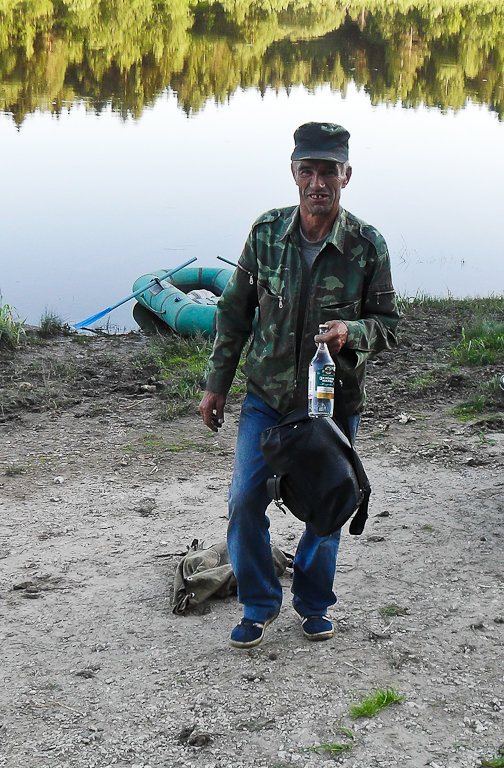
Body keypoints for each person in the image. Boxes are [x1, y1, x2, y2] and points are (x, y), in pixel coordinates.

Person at [199, 121, 400, 649]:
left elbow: (389, 328)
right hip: (266, 398)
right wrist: (216, 384)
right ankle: (259, 603)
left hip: (331, 406)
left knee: (329, 506)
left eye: (328, 171)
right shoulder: (266, 233)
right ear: (293, 173)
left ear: (347, 175)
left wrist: (349, 332)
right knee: (244, 501)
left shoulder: (366, 245)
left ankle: (313, 603)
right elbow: (234, 313)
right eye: (307, 170)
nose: (318, 182)